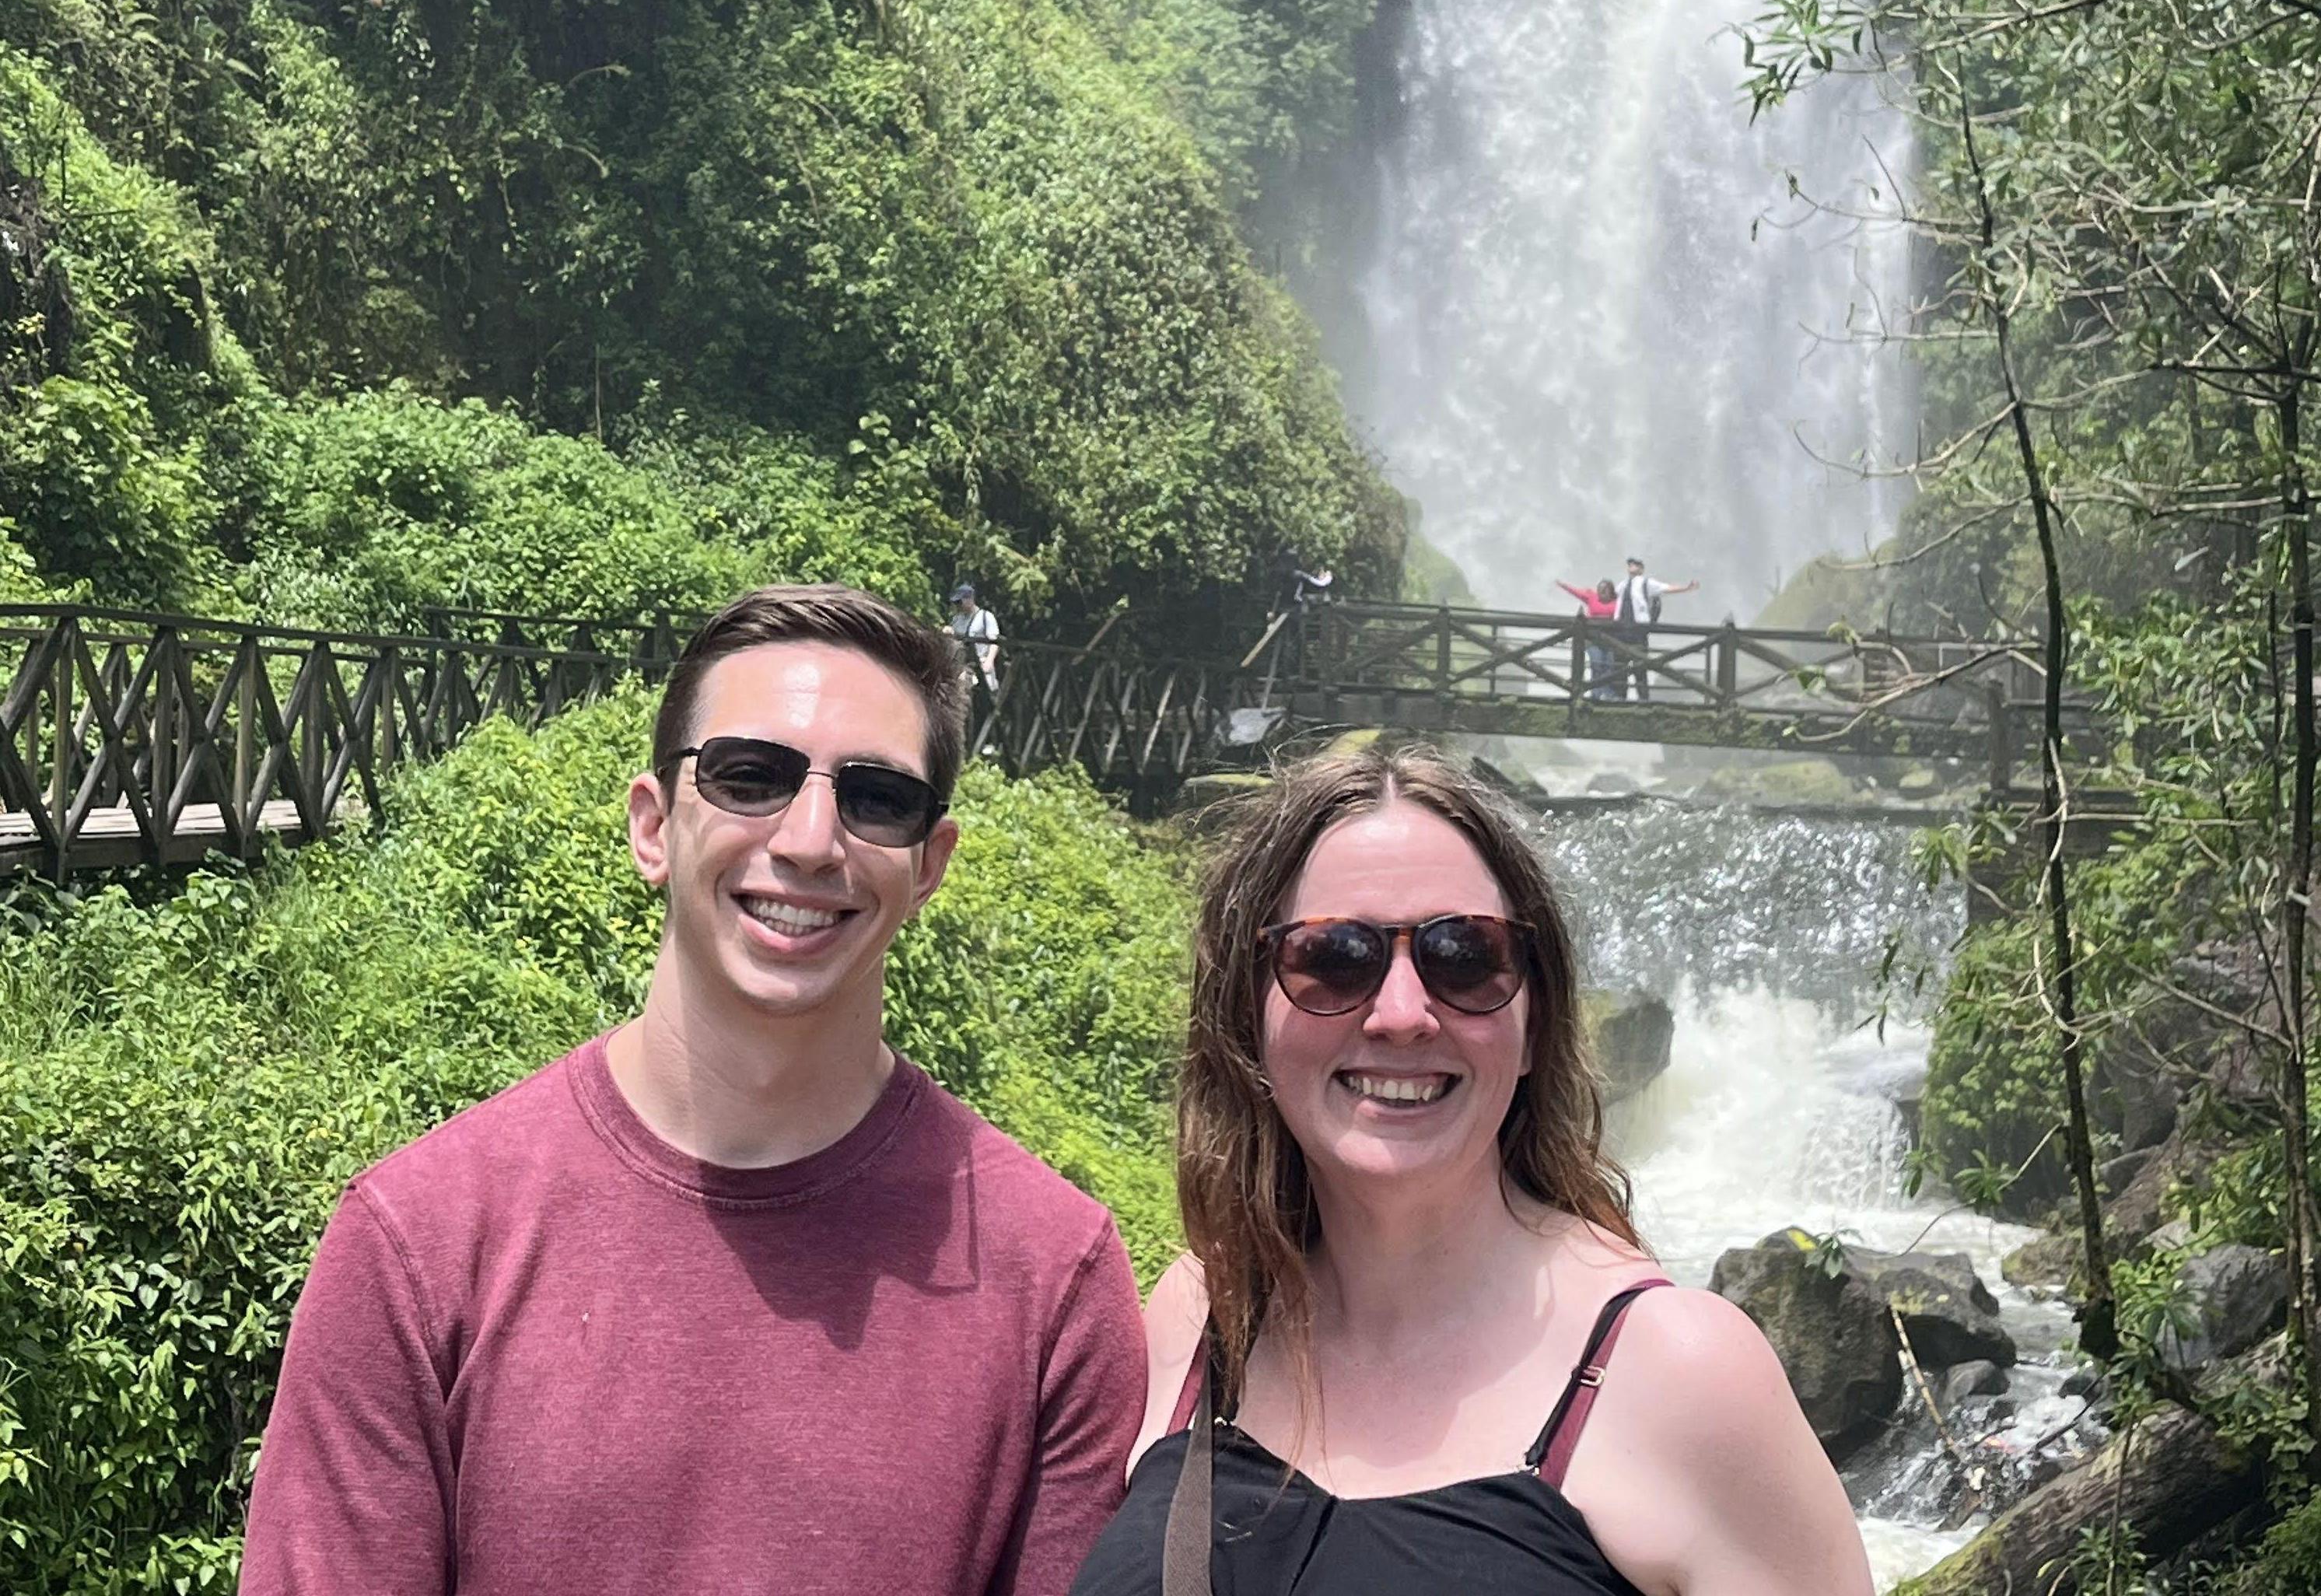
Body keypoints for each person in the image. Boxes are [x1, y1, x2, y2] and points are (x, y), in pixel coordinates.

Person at [244, 583, 1144, 1596]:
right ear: (653, 825)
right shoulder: (418, 1245)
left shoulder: (1054, 1282)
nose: (810, 839)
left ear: (928, 865)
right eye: (749, 776)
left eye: (876, 798)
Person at [1071, 744, 1871, 1596]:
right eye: (1333, 956)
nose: (1402, 1013)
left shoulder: (1678, 1372)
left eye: (1463, 955)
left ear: (1533, 1019)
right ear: (1247, 1013)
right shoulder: (1201, 1314)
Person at [1612, 554, 1699, 702]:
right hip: (1620, 630)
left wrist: (1687, 588)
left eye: (1635, 564)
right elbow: (1609, 599)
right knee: (1619, 667)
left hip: (1638, 630)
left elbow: (1666, 588)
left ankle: (1643, 699)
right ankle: (1620, 698)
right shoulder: (1622, 585)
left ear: (1641, 568)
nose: (1631, 566)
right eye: (1630, 564)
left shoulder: (1647, 583)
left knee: (1639, 665)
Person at [1557, 576, 1622, 700]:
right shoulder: (1592, 597)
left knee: (1609, 668)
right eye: (1600, 589)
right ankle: (1597, 696)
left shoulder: (1618, 602)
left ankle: (1604, 694)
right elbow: (1576, 592)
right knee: (1597, 665)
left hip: (1610, 640)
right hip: (1592, 640)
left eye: (1605, 589)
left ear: (1611, 591)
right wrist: (1562, 585)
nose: (1602, 592)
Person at [950, 576, 1002, 695]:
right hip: (962, 665)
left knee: (985, 697)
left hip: (982, 665)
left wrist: (989, 661)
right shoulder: (957, 619)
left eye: (960, 602)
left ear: (970, 599)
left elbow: (995, 642)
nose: (958, 605)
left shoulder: (986, 617)